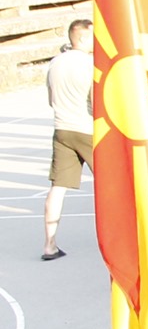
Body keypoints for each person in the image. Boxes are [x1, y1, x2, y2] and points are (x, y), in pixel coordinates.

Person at [41, 20, 92, 263]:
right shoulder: (90, 64)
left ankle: (49, 243)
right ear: (80, 38)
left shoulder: (55, 63)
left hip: (62, 127)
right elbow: (98, 102)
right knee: (110, 183)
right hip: (88, 129)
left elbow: (51, 99)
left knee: (57, 187)